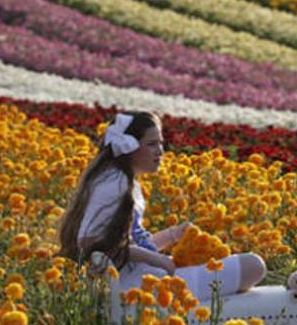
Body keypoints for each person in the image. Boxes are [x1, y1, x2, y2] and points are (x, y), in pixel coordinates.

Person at [58, 111, 266, 303]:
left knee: (244, 265)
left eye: (161, 143)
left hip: (142, 277)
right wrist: (160, 261)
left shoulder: (117, 179)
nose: (160, 151)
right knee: (253, 266)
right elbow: (89, 242)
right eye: (151, 144)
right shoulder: (115, 182)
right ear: (129, 146)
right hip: (139, 286)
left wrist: (173, 235)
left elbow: (128, 245)